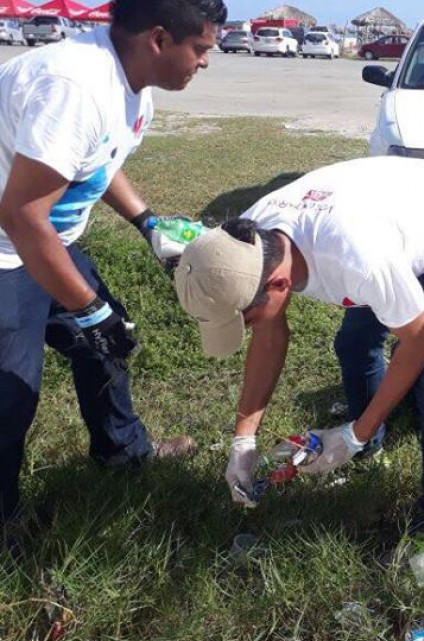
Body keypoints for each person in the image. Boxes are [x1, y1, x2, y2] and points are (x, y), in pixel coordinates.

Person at [174, 157, 424, 556]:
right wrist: (243, 439)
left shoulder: (358, 262)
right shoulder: (242, 247)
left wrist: (354, 432)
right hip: (389, 214)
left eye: (245, 321)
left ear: (280, 285)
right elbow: (269, 337)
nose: (247, 331)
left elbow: (418, 343)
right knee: (352, 344)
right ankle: (370, 449)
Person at [0, 0, 228, 526]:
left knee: (107, 345)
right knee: (11, 397)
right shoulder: (75, 88)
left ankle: (121, 453)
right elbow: (20, 215)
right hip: (9, 248)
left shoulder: (132, 87)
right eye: (200, 49)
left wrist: (148, 224)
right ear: (158, 39)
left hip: (45, 240)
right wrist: (88, 308)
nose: (206, 62)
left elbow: (99, 161)